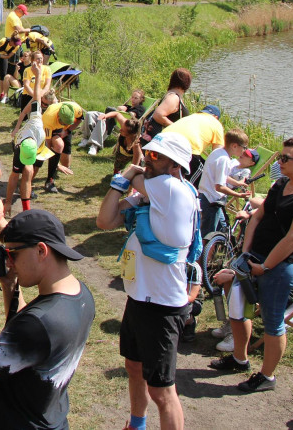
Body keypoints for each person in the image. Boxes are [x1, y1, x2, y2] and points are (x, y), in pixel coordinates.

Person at [97, 132, 199, 430]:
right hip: (140, 298)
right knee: (134, 367)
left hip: (163, 306)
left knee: (163, 390)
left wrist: (129, 171)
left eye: (155, 156)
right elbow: (105, 221)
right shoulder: (152, 194)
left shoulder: (172, 190)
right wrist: (124, 181)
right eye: (148, 154)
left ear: (175, 165)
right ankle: (137, 424)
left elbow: (135, 178)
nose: (147, 161)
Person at [208, 138, 293, 394]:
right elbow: (258, 216)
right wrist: (246, 251)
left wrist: (266, 266)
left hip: (280, 268)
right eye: (280, 157)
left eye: (285, 159)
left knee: (273, 322)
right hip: (253, 258)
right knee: (238, 310)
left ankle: (267, 376)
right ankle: (240, 358)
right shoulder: (281, 184)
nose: (279, 162)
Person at [0, 209, 94, 430]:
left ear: (41, 250)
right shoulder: (80, 296)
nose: (9, 262)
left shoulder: (39, 324)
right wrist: (10, 286)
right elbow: (29, 344)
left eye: (13, 254)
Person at [197, 130, 254, 239]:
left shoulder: (218, 152)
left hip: (206, 196)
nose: (245, 150)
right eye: (244, 147)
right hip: (212, 201)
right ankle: (204, 255)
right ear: (234, 146)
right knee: (208, 236)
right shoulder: (224, 160)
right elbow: (219, 186)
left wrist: (237, 183)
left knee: (224, 229)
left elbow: (221, 175)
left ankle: (223, 250)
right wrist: (239, 195)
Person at [162, 105, 225, 184]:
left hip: (161, 141)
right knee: (198, 180)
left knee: (162, 174)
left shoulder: (191, 116)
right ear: (216, 117)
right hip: (186, 148)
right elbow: (218, 154)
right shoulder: (216, 123)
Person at [5, 92, 45, 213]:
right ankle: (8, 202)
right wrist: (7, 202)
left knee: (28, 172)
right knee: (16, 173)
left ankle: (26, 209)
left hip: (34, 145)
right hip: (22, 145)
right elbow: (14, 176)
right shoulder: (18, 145)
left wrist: (39, 76)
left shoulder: (38, 124)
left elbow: (37, 97)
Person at [36, 100, 84, 195]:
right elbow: (48, 146)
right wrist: (57, 165)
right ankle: (50, 181)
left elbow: (79, 120)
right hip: (52, 129)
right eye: (64, 123)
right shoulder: (48, 119)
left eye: (68, 123)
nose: (65, 125)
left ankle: (58, 166)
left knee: (66, 165)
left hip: (65, 131)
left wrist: (68, 130)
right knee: (58, 146)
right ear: (58, 116)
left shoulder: (76, 109)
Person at [79, 89, 147, 156]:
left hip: (119, 121)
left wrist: (123, 110)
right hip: (112, 116)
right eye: (132, 97)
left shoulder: (140, 108)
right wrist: (121, 108)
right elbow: (118, 109)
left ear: (141, 99)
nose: (133, 99)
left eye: (136, 98)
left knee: (101, 120)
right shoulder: (129, 107)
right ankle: (86, 138)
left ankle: (95, 145)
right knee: (89, 114)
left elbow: (131, 116)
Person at [142, 68, 190, 145]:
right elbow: (158, 115)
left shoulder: (172, 94)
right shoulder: (173, 97)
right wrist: (177, 128)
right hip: (162, 142)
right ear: (186, 82)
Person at [0, 32, 23, 102]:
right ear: (11, 41)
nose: (16, 45)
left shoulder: (17, 46)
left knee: (3, 74)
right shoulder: (4, 41)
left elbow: (9, 56)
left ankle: (2, 93)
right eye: (15, 43)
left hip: (2, 55)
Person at [19, 46, 53, 115]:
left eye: (41, 58)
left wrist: (40, 95)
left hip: (43, 94)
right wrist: (35, 96)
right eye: (38, 59)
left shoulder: (47, 69)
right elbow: (26, 85)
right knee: (25, 118)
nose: (40, 60)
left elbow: (47, 85)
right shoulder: (27, 70)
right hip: (29, 94)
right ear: (33, 60)